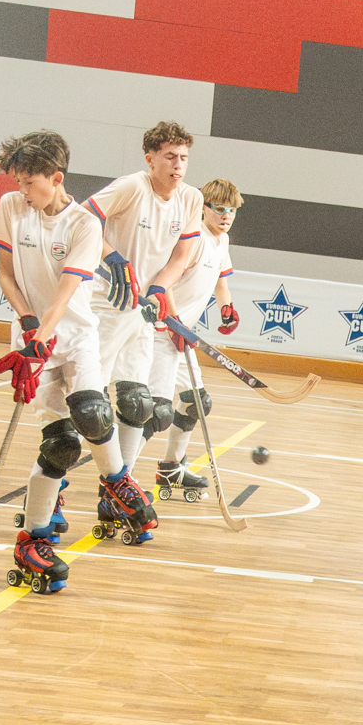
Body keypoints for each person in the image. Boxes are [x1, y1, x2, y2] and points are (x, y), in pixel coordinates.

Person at [0, 129, 153, 592]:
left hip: (75, 335)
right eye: (18, 182)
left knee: (94, 413)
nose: (22, 191)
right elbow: (5, 274)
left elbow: (64, 292)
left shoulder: (83, 224)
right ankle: (33, 540)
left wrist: (45, 330)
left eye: (30, 183)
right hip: (32, 339)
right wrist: (27, 322)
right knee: (61, 445)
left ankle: (117, 480)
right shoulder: (11, 207)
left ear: (56, 178)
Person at [86, 120, 206, 544]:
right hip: (105, 305)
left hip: (141, 313)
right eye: (170, 156)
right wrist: (111, 255)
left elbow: (181, 256)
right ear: (150, 158)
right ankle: (55, 488)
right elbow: (80, 219)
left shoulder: (191, 198)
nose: (178, 165)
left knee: (137, 405)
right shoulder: (131, 188)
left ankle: (114, 494)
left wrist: (160, 287)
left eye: (184, 158)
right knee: (86, 405)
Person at [139, 178, 241, 501]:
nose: (226, 216)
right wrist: (174, 322)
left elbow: (221, 282)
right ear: (204, 208)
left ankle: (171, 467)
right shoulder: (193, 237)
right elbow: (165, 279)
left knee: (197, 401)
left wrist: (226, 308)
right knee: (153, 411)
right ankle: (117, 477)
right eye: (219, 209)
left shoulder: (222, 241)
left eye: (232, 210)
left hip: (180, 336)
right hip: (160, 331)